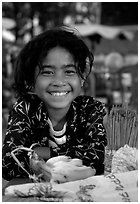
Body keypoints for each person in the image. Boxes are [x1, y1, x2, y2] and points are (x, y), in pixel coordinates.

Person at [2, 26, 107, 181]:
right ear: (31, 80)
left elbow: (98, 156)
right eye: (47, 72)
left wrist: (43, 153)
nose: (59, 82)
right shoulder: (25, 108)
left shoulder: (91, 109)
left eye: (69, 72)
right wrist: (69, 156)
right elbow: (8, 162)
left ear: (82, 78)